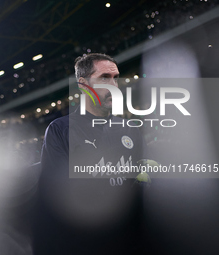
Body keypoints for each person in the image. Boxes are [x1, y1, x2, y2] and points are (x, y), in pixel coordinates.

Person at [32, 53, 150, 255]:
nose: (114, 85)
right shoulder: (60, 129)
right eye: (105, 78)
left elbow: (142, 184)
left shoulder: (130, 130)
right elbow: (54, 197)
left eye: (116, 77)